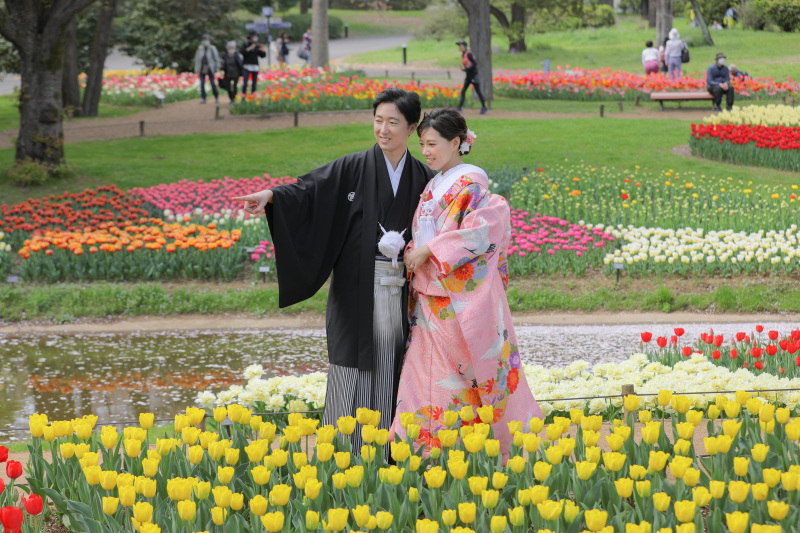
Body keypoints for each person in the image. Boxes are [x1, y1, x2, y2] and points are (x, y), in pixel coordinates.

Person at [231, 88, 435, 452]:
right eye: (378, 120)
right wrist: (272, 196)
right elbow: (310, 190)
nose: (383, 129)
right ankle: (342, 452)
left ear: (412, 128)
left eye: (393, 122)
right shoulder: (353, 167)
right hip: (356, 290)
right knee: (351, 364)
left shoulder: (422, 178)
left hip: (402, 291)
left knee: (394, 363)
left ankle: (389, 449)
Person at [389, 108, 541, 459]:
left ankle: (460, 453)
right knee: (419, 375)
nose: (425, 151)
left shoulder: (471, 183)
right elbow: (427, 234)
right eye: (423, 144)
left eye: (432, 144)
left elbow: (484, 229)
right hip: (431, 298)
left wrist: (430, 249)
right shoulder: (435, 184)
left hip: (455, 302)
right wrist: (415, 250)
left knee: (454, 378)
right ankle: (420, 451)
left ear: (456, 142)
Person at [455, 40, 488, 115]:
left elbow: (474, 64)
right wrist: (465, 69)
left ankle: (484, 107)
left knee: (478, 92)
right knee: (463, 91)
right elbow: (467, 65)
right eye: (459, 46)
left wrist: (466, 69)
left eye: (460, 46)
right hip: (468, 76)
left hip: (473, 76)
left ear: (464, 46)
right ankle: (459, 108)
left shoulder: (469, 54)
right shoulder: (463, 54)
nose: (459, 47)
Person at [194, 34, 219, 104]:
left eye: (207, 40)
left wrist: (217, 67)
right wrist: (196, 68)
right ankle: (203, 98)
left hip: (210, 68)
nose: (206, 41)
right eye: (204, 40)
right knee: (202, 84)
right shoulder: (200, 49)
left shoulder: (212, 48)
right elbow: (197, 59)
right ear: (202, 41)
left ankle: (216, 97)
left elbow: (216, 58)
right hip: (202, 68)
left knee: (212, 83)